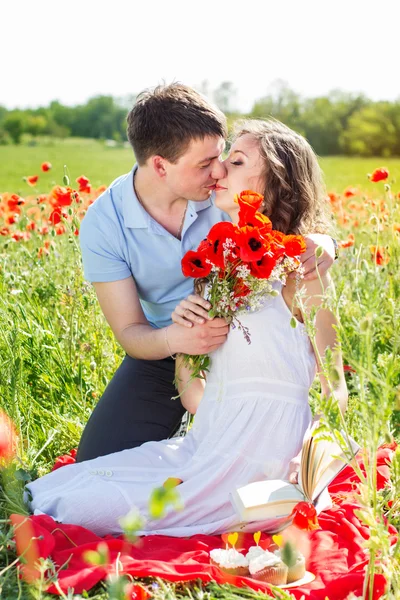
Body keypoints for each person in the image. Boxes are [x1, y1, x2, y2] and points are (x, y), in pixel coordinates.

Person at [26, 119, 348, 538]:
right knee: (73, 483)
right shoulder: (217, 271)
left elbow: (334, 381)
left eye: (235, 160)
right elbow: (196, 397)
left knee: (77, 507)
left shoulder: (300, 271)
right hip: (211, 442)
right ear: (161, 166)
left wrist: (311, 458)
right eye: (217, 161)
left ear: (276, 181)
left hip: (268, 455)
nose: (219, 171)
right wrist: (186, 345)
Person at [76, 83, 336, 462]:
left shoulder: (226, 196)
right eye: (204, 164)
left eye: (224, 155)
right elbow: (132, 333)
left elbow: (287, 215)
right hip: (167, 346)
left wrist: (324, 245)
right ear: (161, 166)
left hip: (256, 350)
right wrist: (178, 341)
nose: (218, 171)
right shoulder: (105, 223)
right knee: (97, 464)